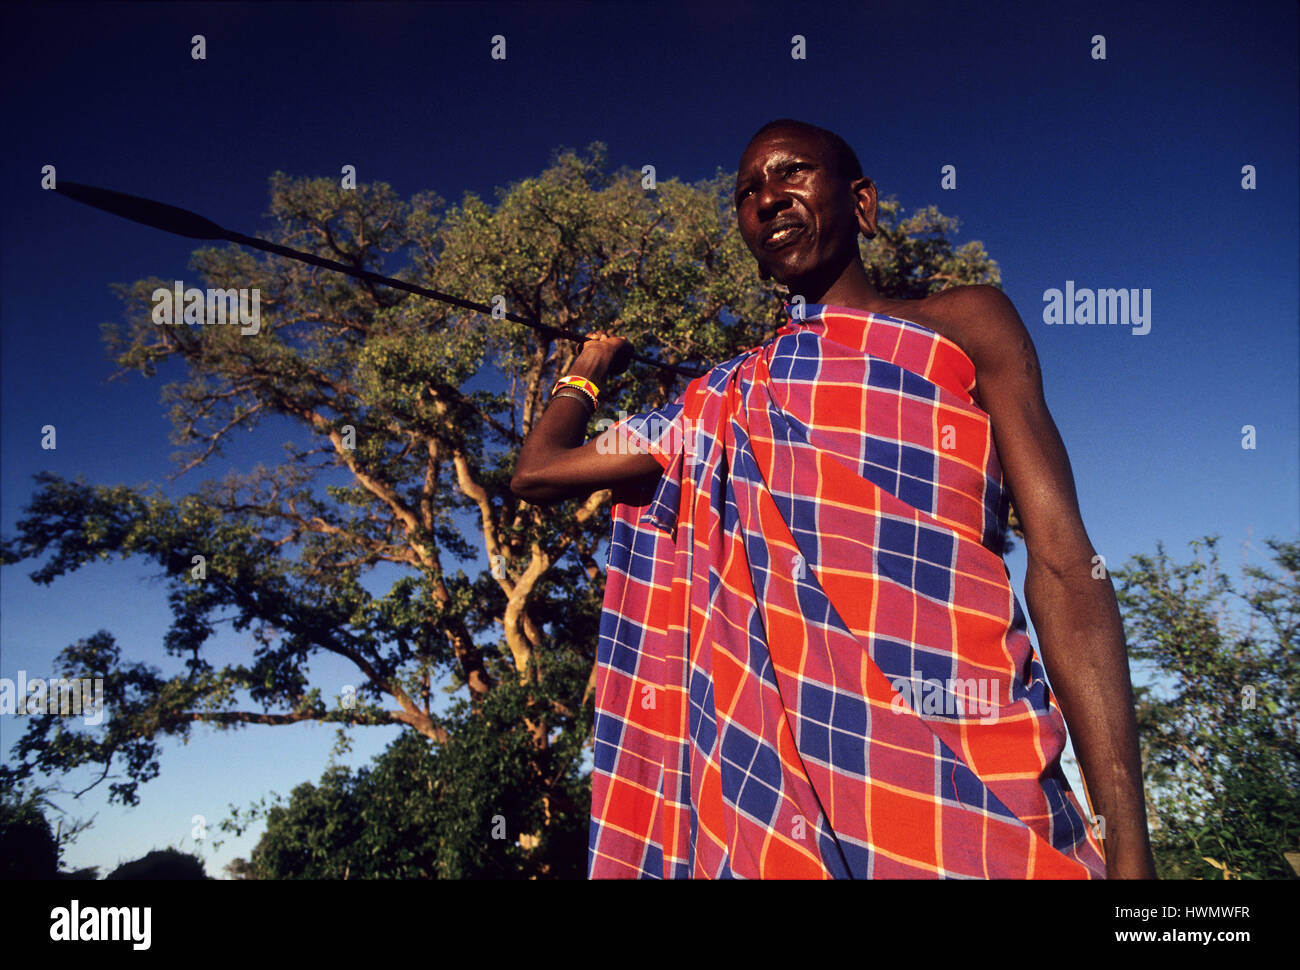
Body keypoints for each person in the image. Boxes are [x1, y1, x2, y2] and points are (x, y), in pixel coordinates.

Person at [510, 119, 1156, 879]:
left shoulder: (966, 323)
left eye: (792, 173)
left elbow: (1065, 568)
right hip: (780, 804)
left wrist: (1132, 855)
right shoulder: (718, 403)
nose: (767, 198)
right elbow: (538, 471)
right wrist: (587, 369)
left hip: (983, 753)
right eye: (748, 191)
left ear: (862, 203)